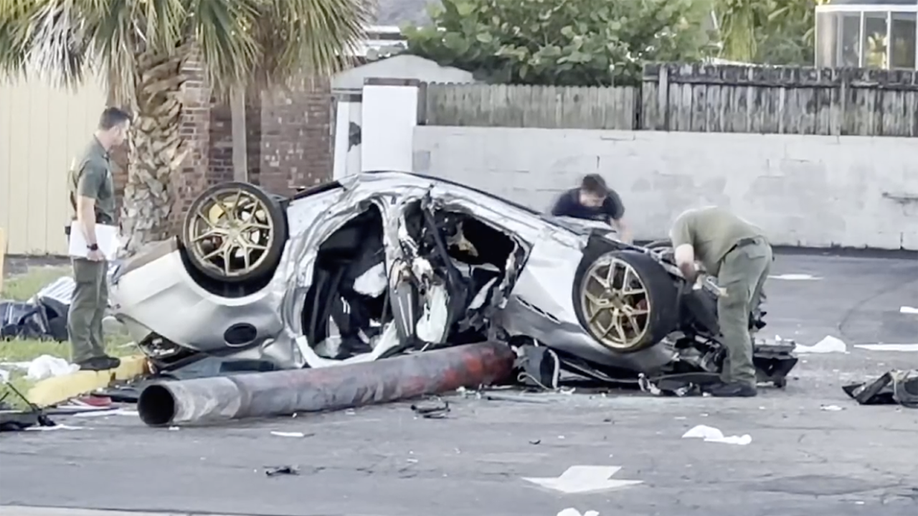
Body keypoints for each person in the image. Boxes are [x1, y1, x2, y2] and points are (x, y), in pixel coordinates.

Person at [669, 206, 772, 397]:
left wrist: (692, 280)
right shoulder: (704, 222)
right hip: (761, 251)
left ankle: (742, 380)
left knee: (731, 316)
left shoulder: (680, 225)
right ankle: (730, 375)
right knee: (744, 318)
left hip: (740, 253)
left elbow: (684, 261)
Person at [66, 107, 132, 371]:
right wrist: (92, 245)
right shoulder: (93, 162)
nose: (125, 137)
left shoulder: (97, 156)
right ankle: (82, 354)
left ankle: (96, 350)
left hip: (99, 234)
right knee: (86, 295)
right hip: (89, 236)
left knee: (98, 294)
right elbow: (85, 207)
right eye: (125, 131)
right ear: (115, 130)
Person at [550, 174, 632, 243]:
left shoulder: (611, 198)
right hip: (572, 238)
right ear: (584, 193)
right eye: (595, 201)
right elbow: (553, 224)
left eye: (602, 201)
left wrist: (622, 245)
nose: (600, 205)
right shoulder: (567, 199)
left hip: (600, 240)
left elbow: (624, 228)